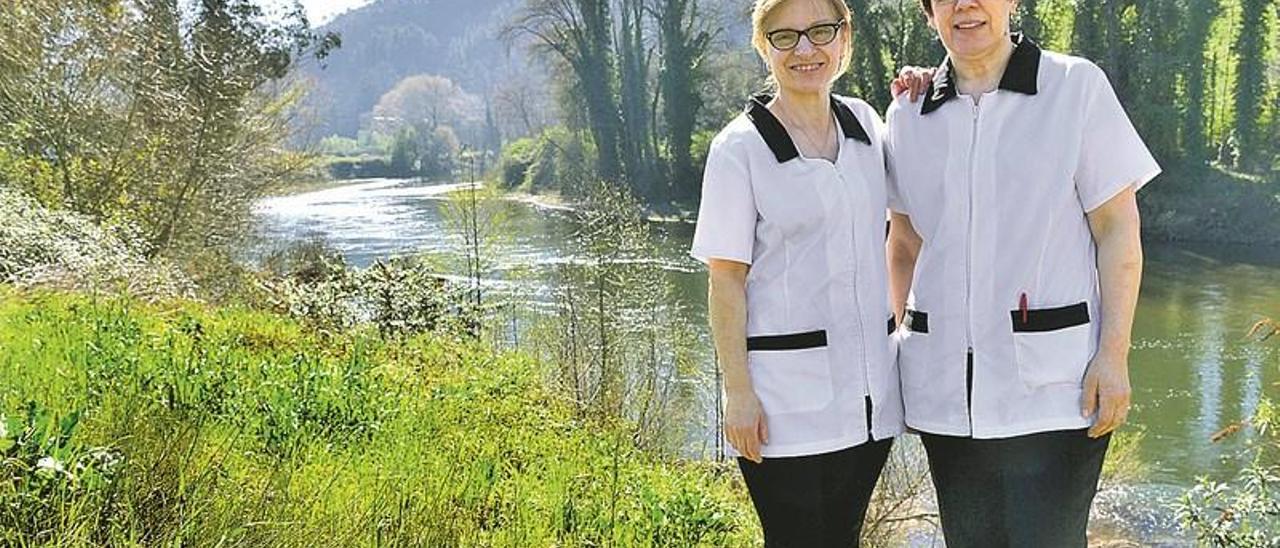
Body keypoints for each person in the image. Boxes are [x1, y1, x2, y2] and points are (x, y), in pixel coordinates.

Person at [884, 0, 1160, 546]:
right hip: (944, 395)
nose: (965, 5)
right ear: (928, 11)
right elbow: (904, 245)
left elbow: (1118, 233)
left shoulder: (1075, 88)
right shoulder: (907, 115)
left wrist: (1114, 355)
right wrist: (903, 344)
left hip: (1057, 391)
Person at [690, 0, 904, 544]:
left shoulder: (866, 124)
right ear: (764, 47)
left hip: (871, 398)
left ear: (844, 38)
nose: (805, 50)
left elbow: (908, 226)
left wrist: (923, 85)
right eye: (785, 37)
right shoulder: (738, 149)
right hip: (784, 406)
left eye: (820, 32)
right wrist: (737, 392)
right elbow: (725, 281)